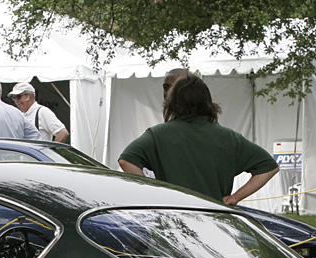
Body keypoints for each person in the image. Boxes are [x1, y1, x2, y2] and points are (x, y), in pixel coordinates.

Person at [118, 74, 279, 206]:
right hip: (215, 221)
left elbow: (126, 160)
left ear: (173, 102)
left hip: (171, 223)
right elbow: (268, 167)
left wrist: (152, 191)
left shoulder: (157, 135)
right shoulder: (228, 137)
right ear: (207, 101)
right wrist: (235, 197)